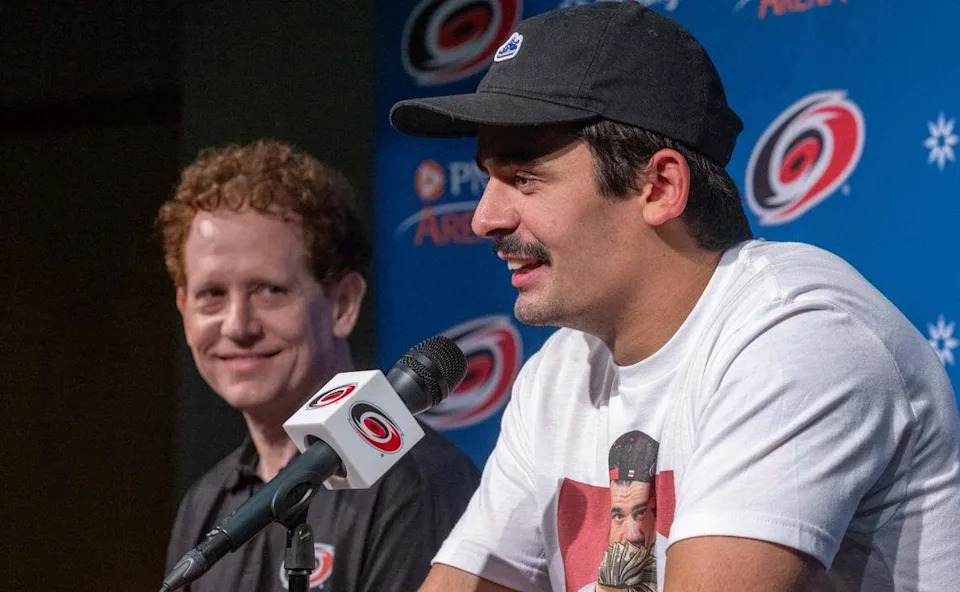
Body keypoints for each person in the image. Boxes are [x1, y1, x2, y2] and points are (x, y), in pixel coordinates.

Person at [389, 3, 960, 591]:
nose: (484, 219)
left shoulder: (801, 336)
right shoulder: (559, 372)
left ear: (659, 187)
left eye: (525, 179)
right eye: (487, 180)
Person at [157, 140, 480, 591]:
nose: (238, 325)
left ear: (343, 304)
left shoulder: (418, 482)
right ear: (183, 309)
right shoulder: (204, 504)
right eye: (212, 295)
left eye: (270, 290)